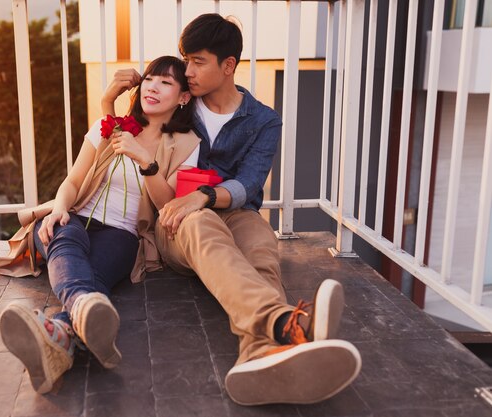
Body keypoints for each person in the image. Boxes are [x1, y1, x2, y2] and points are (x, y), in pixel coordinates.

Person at [103, 14, 361, 406]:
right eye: (185, 60)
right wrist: (110, 99)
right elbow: (126, 127)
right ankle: (289, 323)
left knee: (260, 247)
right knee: (200, 225)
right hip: (177, 222)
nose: (187, 71)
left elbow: (250, 183)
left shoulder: (263, 120)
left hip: (234, 212)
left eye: (198, 61)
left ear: (228, 65)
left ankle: (261, 354)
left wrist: (204, 195)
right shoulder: (181, 104)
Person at [0, 56, 200, 394]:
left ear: (183, 97)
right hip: (73, 217)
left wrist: (145, 160)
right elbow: (73, 181)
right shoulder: (109, 127)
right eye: (149, 78)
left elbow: (169, 206)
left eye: (165, 82)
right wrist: (58, 209)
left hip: (122, 234)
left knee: (95, 276)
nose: (153, 86)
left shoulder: (187, 144)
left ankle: (59, 336)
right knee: (67, 239)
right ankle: (80, 307)